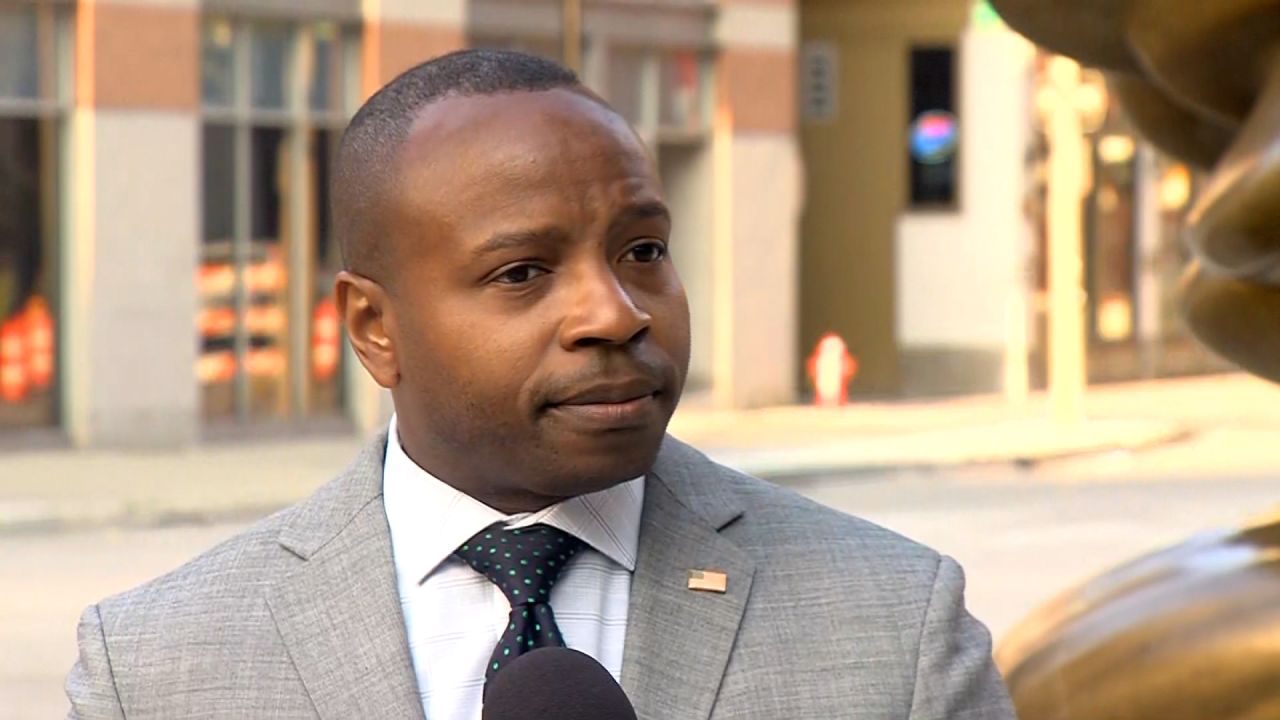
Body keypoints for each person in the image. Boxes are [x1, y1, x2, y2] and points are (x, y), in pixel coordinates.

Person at [65, 49, 1015, 719]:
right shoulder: (156, 669)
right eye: (522, 272)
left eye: (643, 251)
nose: (617, 313)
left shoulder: (894, 627)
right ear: (374, 327)